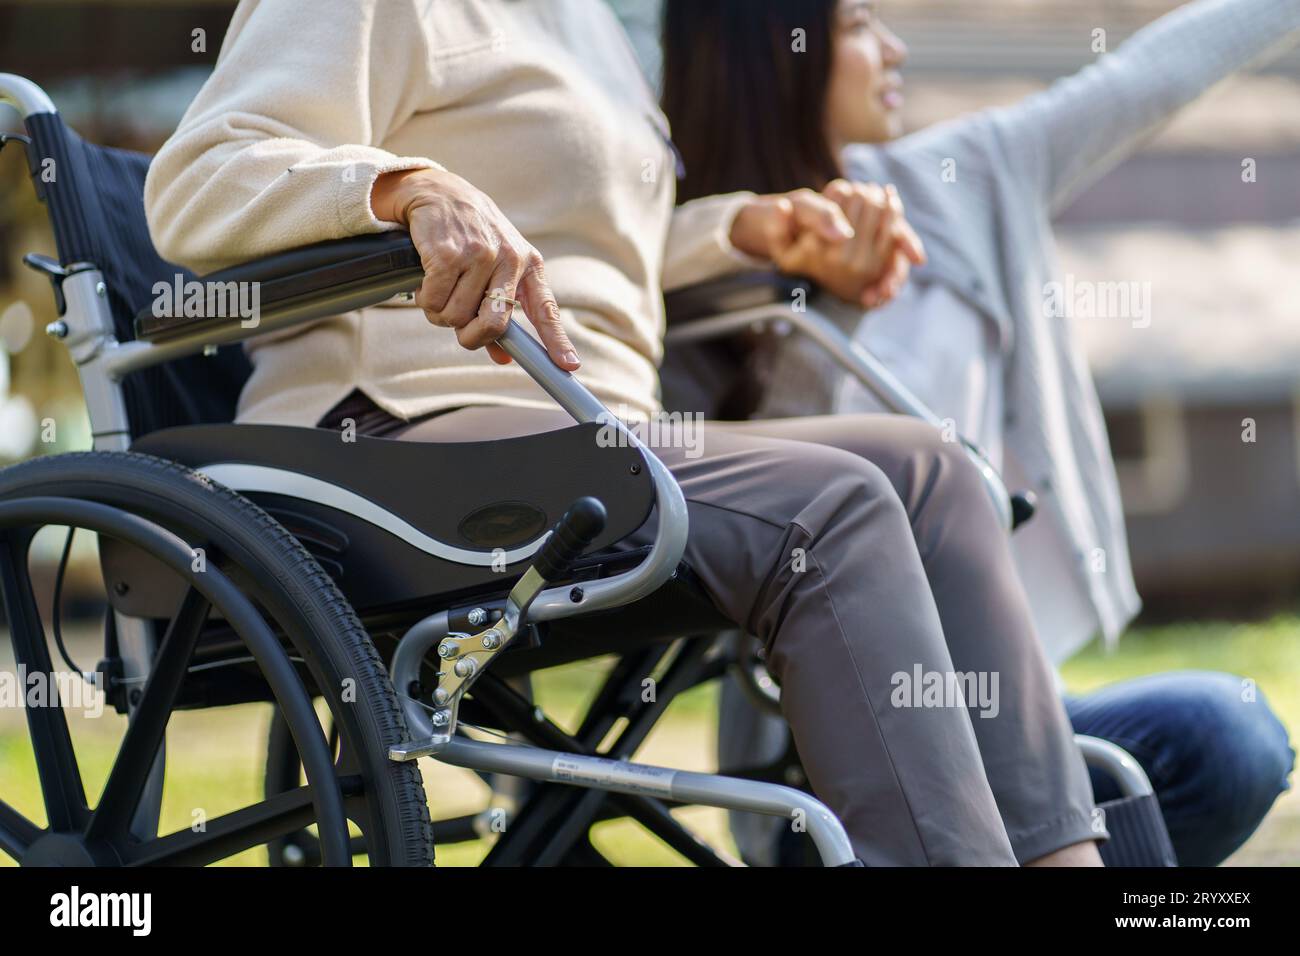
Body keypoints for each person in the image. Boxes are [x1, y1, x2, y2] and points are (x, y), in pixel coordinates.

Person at [145, 0, 1107, 865]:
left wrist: (747, 232)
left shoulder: (591, 24)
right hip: (394, 430)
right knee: (832, 508)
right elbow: (198, 181)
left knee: (932, 469)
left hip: (592, 430)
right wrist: (409, 188)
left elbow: (580, 252)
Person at [658, 0, 1297, 865]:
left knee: (1231, 738)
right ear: (769, 51)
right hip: (824, 752)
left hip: (1005, 711)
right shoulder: (675, 253)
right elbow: (757, 511)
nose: (895, 49)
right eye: (856, 27)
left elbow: (1148, 76)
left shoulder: (965, 177)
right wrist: (828, 304)